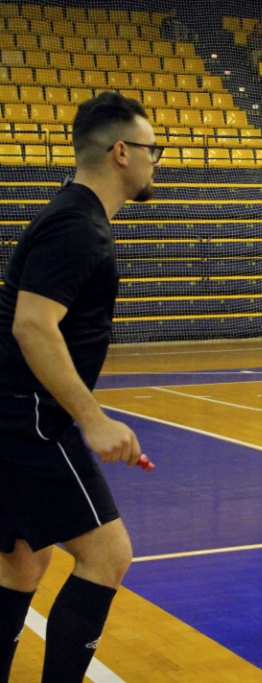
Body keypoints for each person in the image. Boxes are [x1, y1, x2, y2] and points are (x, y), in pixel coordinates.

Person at [0, 92, 161, 683]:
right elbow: (31, 324)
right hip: (30, 421)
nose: (156, 161)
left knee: (22, 563)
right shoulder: (78, 227)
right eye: (151, 149)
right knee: (108, 555)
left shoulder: (75, 217)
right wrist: (91, 418)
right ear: (121, 152)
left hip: (17, 415)